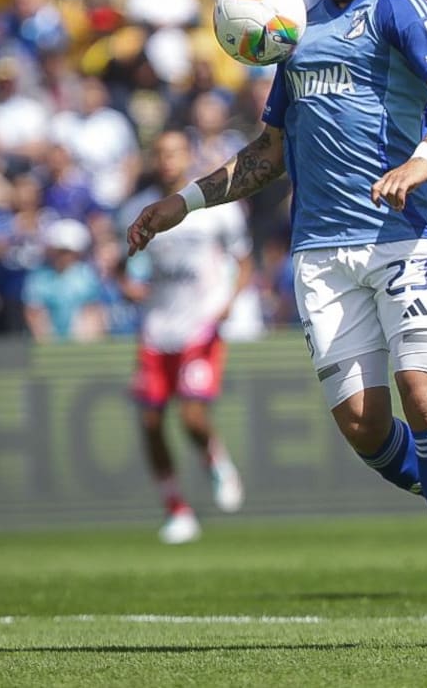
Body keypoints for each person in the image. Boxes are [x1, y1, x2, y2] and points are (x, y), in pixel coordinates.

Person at [125, 0, 427, 647]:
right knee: (364, 427)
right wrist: (181, 203)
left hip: (404, 236)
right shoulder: (298, 30)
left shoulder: (400, 8)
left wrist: (422, 159)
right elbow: (270, 152)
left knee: (426, 394)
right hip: (321, 254)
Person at [117, 131, 252, 544]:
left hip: (200, 323)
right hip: (157, 326)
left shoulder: (216, 206)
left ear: (188, 156)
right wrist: (126, 285)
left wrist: (229, 301)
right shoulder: (135, 209)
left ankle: (215, 459)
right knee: (149, 421)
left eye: (175, 152)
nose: (168, 160)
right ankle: (176, 509)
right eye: (161, 154)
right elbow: (122, 263)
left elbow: (244, 260)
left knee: (191, 416)